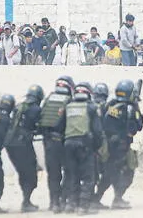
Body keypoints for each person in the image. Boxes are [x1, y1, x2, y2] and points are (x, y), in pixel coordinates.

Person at [96, 80, 143, 209]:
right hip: (121, 147)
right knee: (127, 173)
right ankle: (116, 199)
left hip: (106, 146)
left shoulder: (110, 105)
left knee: (109, 173)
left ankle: (96, 199)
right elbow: (136, 127)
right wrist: (137, 107)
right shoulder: (129, 108)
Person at [63, 82, 103, 214]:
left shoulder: (68, 106)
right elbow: (97, 131)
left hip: (68, 145)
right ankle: (83, 207)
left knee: (72, 175)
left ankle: (71, 205)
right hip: (85, 146)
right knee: (88, 177)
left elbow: (59, 126)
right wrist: (96, 147)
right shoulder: (91, 107)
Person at [5, 85, 44, 213]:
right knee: (31, 174)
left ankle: (26, 200)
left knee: (23, 172)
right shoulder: (36, 109)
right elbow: (39, 126)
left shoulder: (19, 106)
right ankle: (26, 202)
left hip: (11, 144)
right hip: (22, 144)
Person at [40, 76, 75, 213]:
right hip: (64, 143)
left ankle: (54, 203)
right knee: (69, 172)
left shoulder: (48, 99)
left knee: (53, 174)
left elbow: (41, 120)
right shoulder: (70, 102)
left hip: (49, 142)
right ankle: (64, 200)